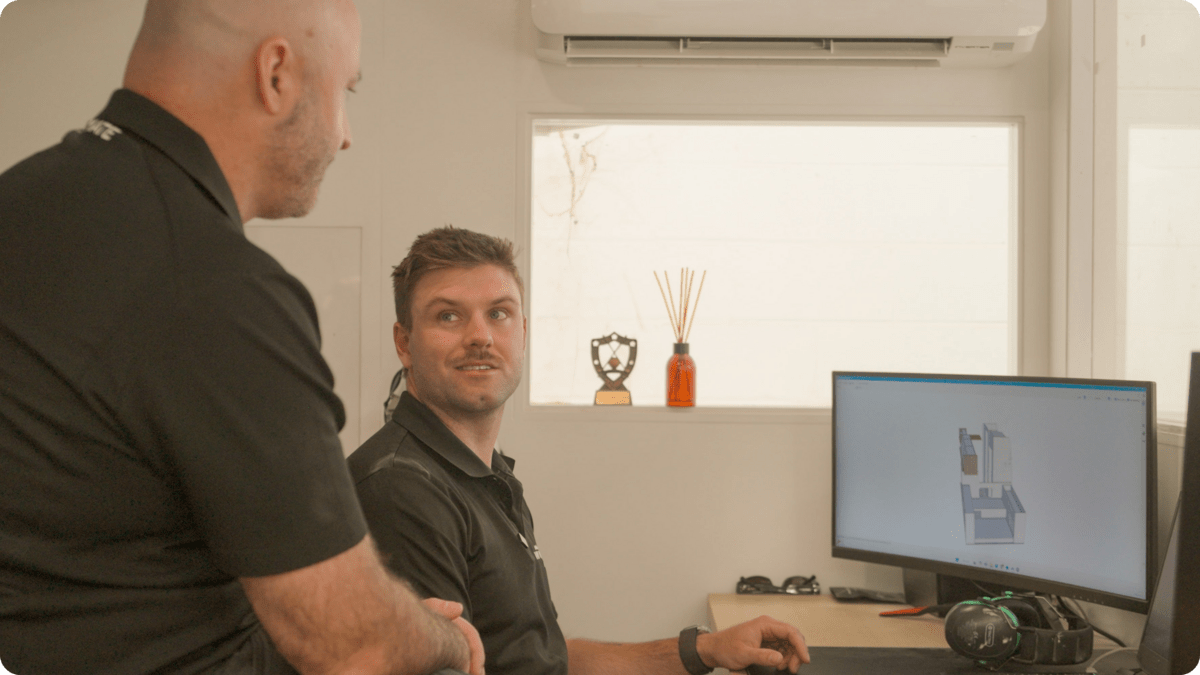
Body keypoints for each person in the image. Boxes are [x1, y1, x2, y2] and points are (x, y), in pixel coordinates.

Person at [0, 2, 483, 674]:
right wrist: (447, 641)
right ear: (277, 73)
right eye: (344, 93)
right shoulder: (215, 287)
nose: (345, 136)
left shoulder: (20, 204)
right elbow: (351, 642)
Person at [349, 226, 811, 675]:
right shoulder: (400, 488)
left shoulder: (487, 477)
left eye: (499, 313)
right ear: (404, 343)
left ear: (523, 332)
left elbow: (542, 659)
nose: (480, 336)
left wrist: (705, 649)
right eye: (448, 315)